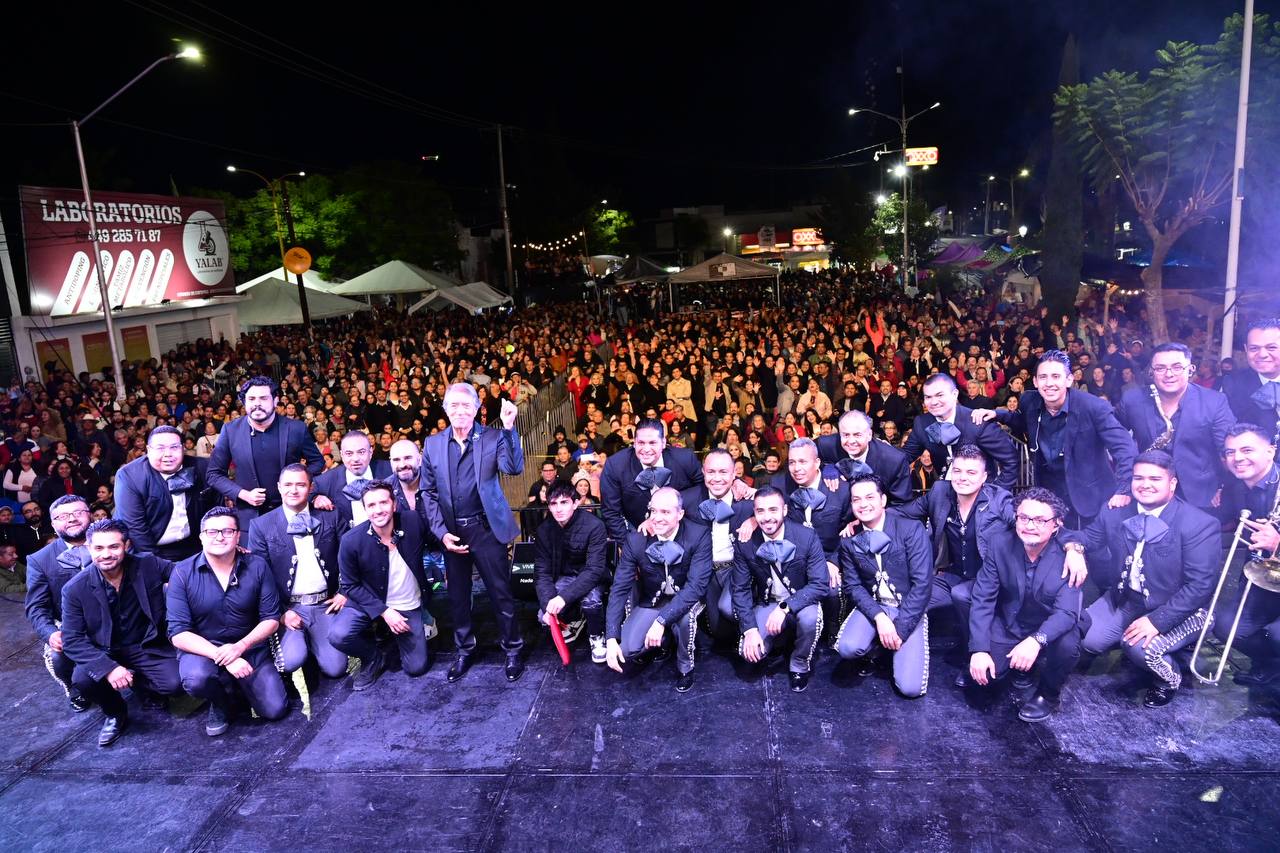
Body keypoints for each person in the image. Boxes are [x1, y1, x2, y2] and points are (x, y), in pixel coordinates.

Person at [1077, 451, 1219, 707]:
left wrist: (1157, 621)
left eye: (1155, 478)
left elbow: (1200, 586)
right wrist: (1073, 549)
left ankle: (1170, 679)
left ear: (1172, 483)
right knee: (1088, 639)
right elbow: (1088, 538)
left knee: (1140, 650)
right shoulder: (1115, 511)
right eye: (1138, 478)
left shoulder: (1199, 523)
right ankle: (1134, 635)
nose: (1145, 484)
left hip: (1183, 608)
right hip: (1127, 599)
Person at [421, 383, 525, 683]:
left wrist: (508, 427)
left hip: (485, 529)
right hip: (452, 533)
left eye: (466, 405)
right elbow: (427, 491)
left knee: (500, 593)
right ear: (445, 409)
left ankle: (513, 648)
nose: (460, 411)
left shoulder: (492, 437)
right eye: (453, 405)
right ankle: (465, 649)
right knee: (457, 597)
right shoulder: (433, 444)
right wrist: (440, 533)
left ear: (477, 408)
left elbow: (514, 468)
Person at [968, 488, 1087, 722]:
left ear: (1056, 525)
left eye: (1040, 520)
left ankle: (1048, 695)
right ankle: (1022, 669)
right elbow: (983, 597)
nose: (1030, 525)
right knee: (982, 686)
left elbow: (1066, 612)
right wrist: (978, 649)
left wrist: (1036, 640)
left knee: (1068, 643)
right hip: (1013, 621)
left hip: (1051, 626)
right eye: (1024, 518)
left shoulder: (1070, 557)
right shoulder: (999, 543)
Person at [980, 350, 1137, 528]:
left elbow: (1125, 447)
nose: (1049, 383)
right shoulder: (1029, 401)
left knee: (1089, 552)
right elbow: (1023, 422)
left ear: (1069, 379)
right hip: (1050, 496)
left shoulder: (1094, 407)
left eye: (1056, 376)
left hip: (1091, 499)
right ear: (1035, 382)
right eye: (1043, 377)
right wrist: (996, 414)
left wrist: (1124, 488)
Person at [168, 507, 287, 737]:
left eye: (227, 531)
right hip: (203, 651)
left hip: (250, 648)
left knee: (275, 709)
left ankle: (240, 687)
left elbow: (271, 619)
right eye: (212, 531)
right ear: (201, 536)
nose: (219, 537)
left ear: (237, 535)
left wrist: (240, 647)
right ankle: (221, 702)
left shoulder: (257, 566)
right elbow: (178, 633)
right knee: (196, 679)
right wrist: (223, 656)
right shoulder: (182, 572)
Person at [60, 518, 179, 747]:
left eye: (114, 546)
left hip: (145, 644)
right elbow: (72, 639)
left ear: (126, 545)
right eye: (99, 548)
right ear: (88, 548)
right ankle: (115, 713)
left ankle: (140, 685)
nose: (106, 554)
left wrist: (230, 554)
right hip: (104, 651)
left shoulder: (148, 563)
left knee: (175, 684)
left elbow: (185, 573)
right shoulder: (74, 589)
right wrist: (109, 668)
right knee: (82, 679)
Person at [247, 464, 348, 683]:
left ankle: (315, 642)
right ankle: (297, 644)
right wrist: (281, 613)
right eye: (288, 485)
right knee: (290, 661)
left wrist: (344, 591)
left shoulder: (330, 516)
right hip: (289, 607)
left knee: (336, 668)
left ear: (311, 488)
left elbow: (349, 557)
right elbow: (259, 577)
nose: (294, 490)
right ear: (279, 487)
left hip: (325, 604)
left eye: (301, 484)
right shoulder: (261, 525)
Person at [605, 487, 712, 692]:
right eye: (653, 511)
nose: (657, 518)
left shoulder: (699, 535)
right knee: (627, 649)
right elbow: (619, 588)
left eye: (665, 512)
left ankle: (685, 667)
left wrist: (661, 621)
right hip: (654, 599)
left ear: (680, 514)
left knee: (684, 618)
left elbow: (696, 586)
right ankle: (664, 639)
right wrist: (611, 636)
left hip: (687, 597)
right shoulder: (636, 540)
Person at [835, 475, 934, 698]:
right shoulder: (849, 540)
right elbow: (853, 586)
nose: (863, 504)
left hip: (908, 608)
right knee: (848, 647)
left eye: (870, 497)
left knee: (910, 689)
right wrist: (879, 617)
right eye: (856, 499)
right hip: (876, 605)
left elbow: (922, 584)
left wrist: (899, 629)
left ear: (883, 500)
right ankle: (877, 647)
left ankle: (890, 648)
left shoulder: (911, 529)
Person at [330, 481, 432, 690]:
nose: (378, 510)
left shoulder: (412, 521)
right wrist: (384, 612)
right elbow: (349, 585)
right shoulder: (351, 541)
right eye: (372, 505)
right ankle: (374, 656)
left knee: (416, 667)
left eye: (383, 503)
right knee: (338, 634)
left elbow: (434, 541)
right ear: (365, 509)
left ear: (394, 504)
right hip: (369, 601)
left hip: (407, 602)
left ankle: (409, 629)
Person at [1116, 342, 1234, 513]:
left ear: (1190, 369)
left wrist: (1224, 487)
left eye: (1177, 367)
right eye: (1161, 368)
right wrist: (1124, 483)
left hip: (1201, 496)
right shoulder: (1132, 400)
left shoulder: (1214, 401)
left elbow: (1228, 450)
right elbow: (1113, 438)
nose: (1169, 374)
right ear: (1152, 372)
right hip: (1148, 493)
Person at [731, 486, 829, 692]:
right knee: (750, 653)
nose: (767, 517)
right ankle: (780, 640)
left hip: (801, 601)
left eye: (773, 510)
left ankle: (799, 662)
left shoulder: (807, 536)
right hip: (768, 602)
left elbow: (820, 584)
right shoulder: (746, 543)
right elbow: (739, 589)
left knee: (811, 619)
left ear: (784, 510)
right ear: (754, 513)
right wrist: (749, 630)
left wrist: (785, 607)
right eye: (760, 511)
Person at [206, 376, 325, 530]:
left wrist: (296, 483)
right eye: (251, 399)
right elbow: (213, 474)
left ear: (275, 401)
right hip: (249, 517)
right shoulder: (230, 430)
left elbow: (318, 462)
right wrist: (243, 494)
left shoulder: (296, 428)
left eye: (263, 398)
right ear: (244, 402)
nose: (257, 404)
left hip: (292, 512)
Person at [1212, 423, 1280, 685]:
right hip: (1261, 580)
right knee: (1226, 629)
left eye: (1247, 449)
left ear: (1270, 451)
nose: (1237, 458)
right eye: (1230, 452)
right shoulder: (1235, 487)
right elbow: (1226, 521)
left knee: (1276, 636)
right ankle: (1271, 666)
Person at [24, 494, 94, 711]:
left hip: (118, 617)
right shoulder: (39, 560)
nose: (71, 519)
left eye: (78, 512)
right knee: (57, 654)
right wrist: (50, 633)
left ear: (90, 515)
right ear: (53, 524)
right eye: (63, 516)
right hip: (71, 625)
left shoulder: (110, 543)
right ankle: (73, 687)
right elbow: (36, 607)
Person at [679, 448, 755, 638]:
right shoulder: (688, 499)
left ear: (733, 474)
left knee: (730, 610)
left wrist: (754, 520)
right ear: (703, 473)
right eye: (711, 472)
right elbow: (662, 507)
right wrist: (650, 518)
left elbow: (779, 508)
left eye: (723, 472)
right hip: (706, 572)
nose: (717, 478)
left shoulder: (747, 501)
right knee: (718, 632)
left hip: (736, 570)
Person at [534, 483, 609, 664]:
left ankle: (597, 636)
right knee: (543, 616)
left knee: (591, 602)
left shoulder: (594, 526)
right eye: (553, 504)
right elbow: (541, 573)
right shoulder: (544, 530)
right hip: (566, 577)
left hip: (594, 576)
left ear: (575, 503)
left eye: (564, 502)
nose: (558, 509)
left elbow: (594, 570)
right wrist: (547, 605)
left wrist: (563, 598)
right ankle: (575, 620)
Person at [902, 373, 1018, 490]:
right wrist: (884, 450)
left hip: (981, 495)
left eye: (940, 395)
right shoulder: (922, 423)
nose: (934, 402)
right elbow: (905, 456)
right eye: (928, 397)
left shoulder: (978, 422)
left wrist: (994, 494)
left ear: (955, 394)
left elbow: (1011, 461)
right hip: (946, 493)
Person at [112, 425, 208, 561]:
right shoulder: (129, 475)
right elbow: (135, 528)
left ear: (183, 448)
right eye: (160, 448)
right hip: (149, 551)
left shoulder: (202, 467)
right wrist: (159, 566)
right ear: (148, 450)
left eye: (174, 447)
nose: (167, 454)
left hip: (195, 546)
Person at [600, 418, 703, 542]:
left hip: (682, 533)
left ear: (664, 443)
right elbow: (611, 512)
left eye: (652, 443)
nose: (646, 449)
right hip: (638, 535)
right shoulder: (615, 465)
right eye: (641, 443)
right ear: (634, 443)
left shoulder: (685, 458)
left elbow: (702, 489)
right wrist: (630, 544)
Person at [816, 410, 912, 503]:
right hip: (840, 513)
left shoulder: (894, 460)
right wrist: (825, 466)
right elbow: (804, 460)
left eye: (857, 435)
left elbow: (901, 504)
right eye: (845, 435)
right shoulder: (825, 445)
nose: (851, 441)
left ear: (869, 435)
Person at [312, 431, 392, 530]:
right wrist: (315, 498)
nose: (355, 459)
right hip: (348, 540)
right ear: (341, 454)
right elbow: (304, 494)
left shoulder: (390, 470)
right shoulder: (325, 480)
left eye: (361, 452)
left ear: (370, 452)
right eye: (349, 453)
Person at [1220, 318, 1280, 441]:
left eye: (1271, 347)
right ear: (1246, 350)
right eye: (1254, 348)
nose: (1262, 354)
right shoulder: (1232, 385)